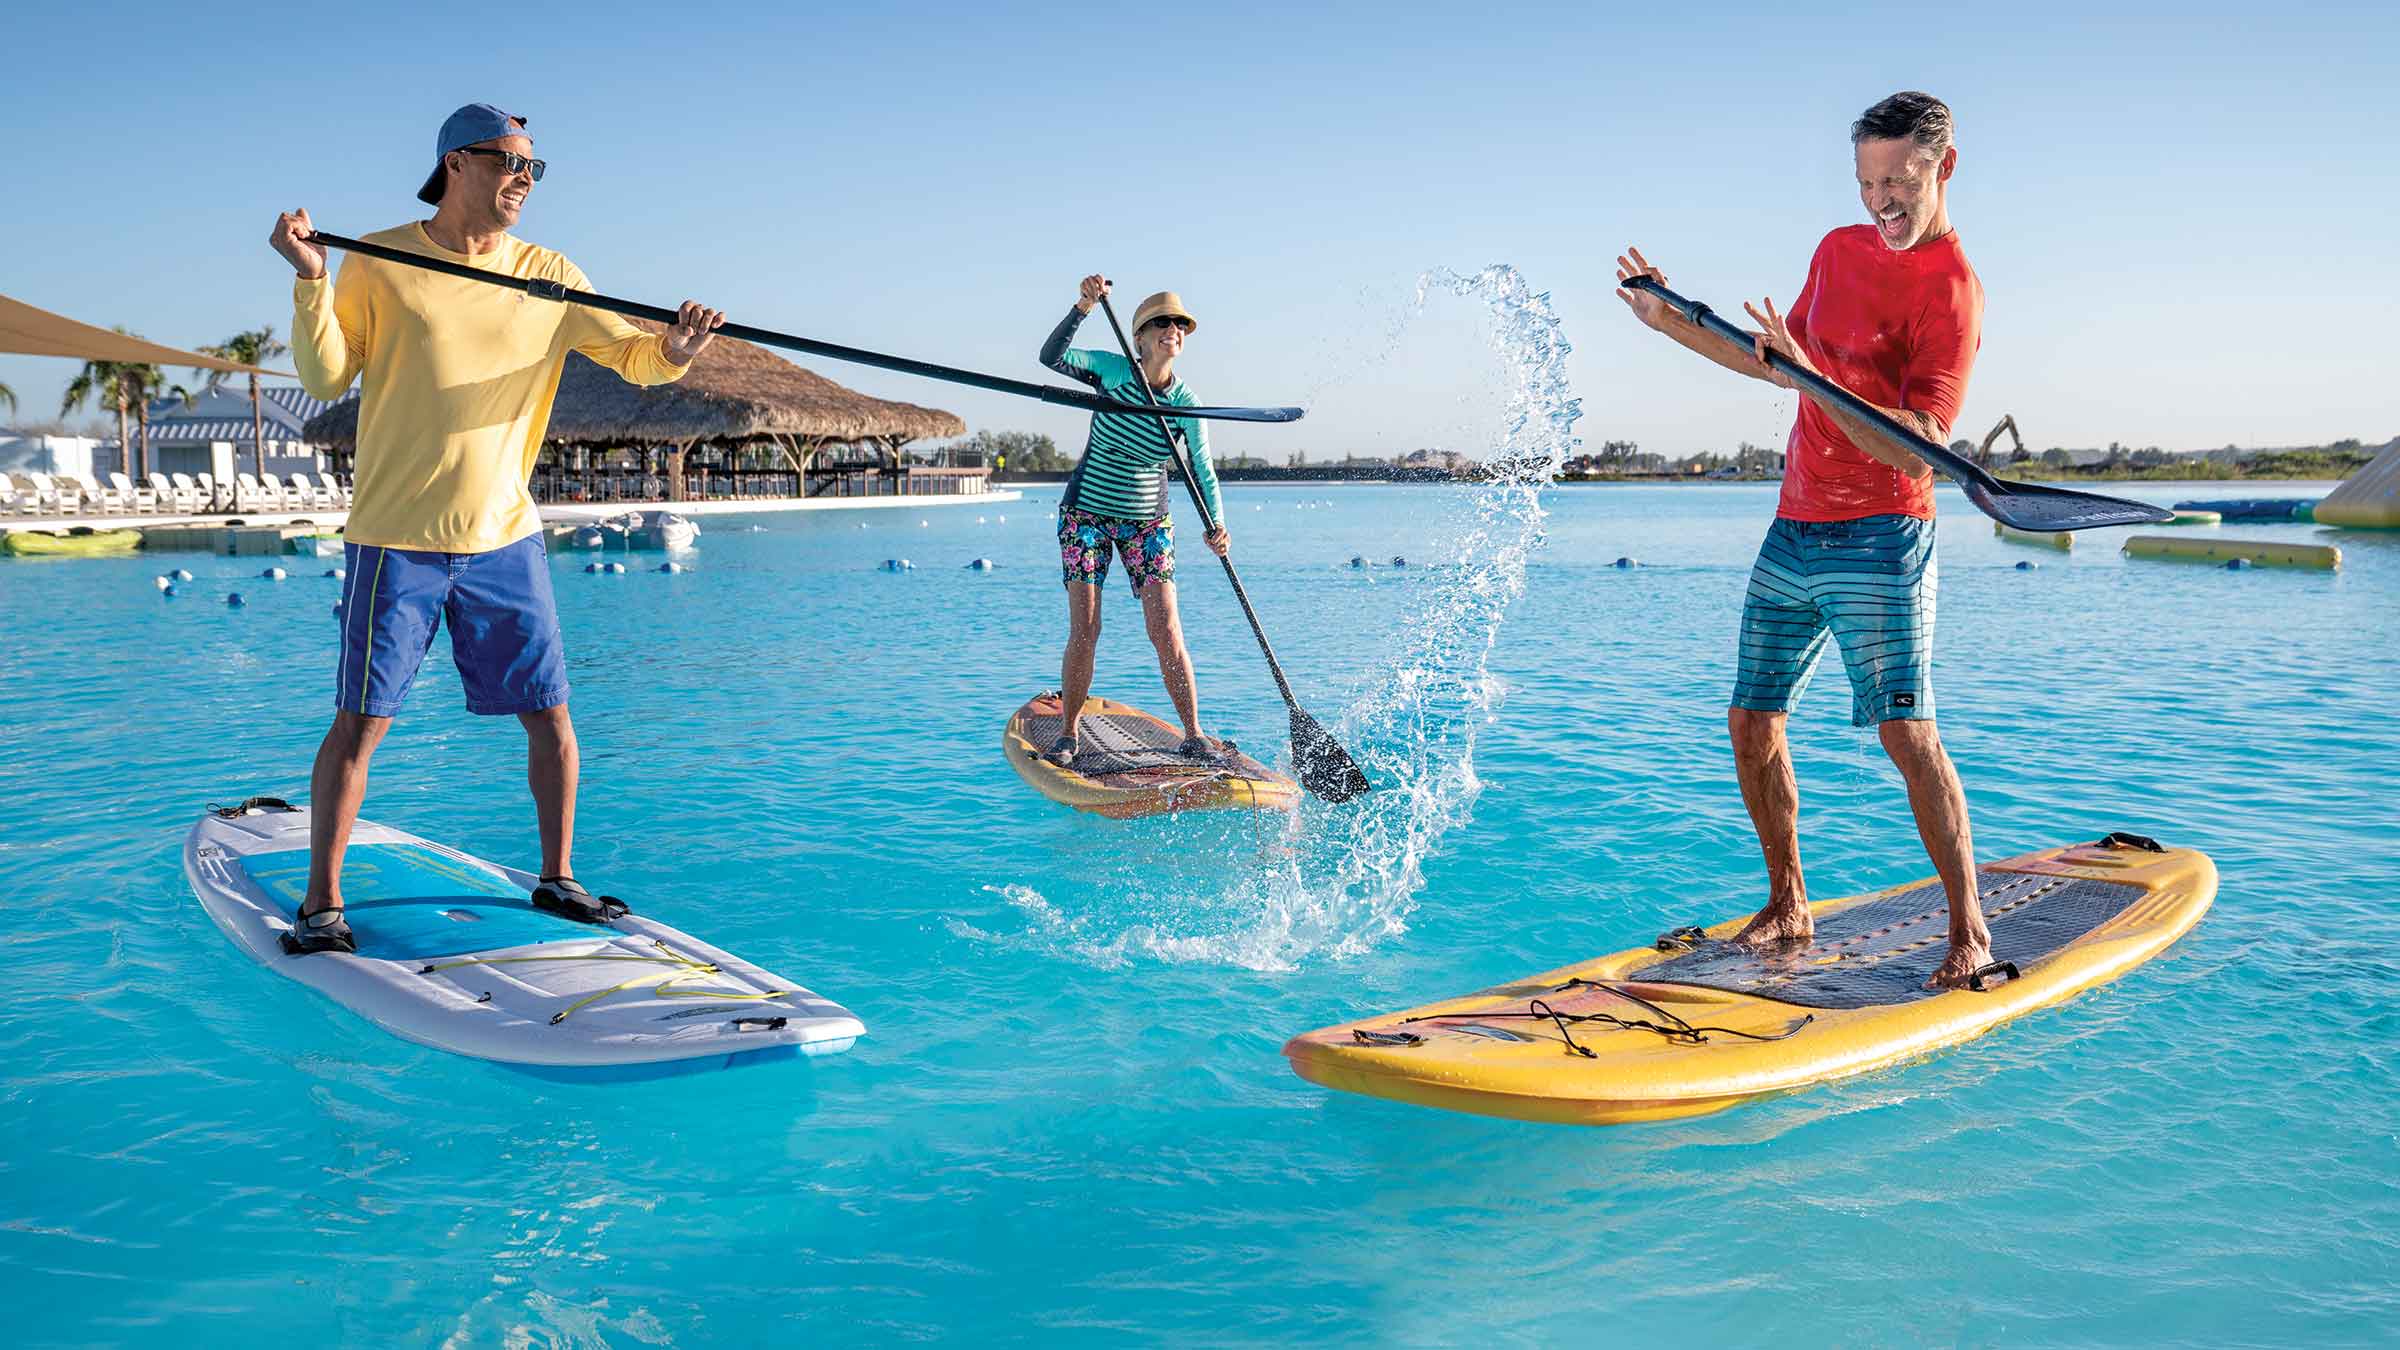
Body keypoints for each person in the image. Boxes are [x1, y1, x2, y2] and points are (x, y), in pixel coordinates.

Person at [267, 103, 724, 954]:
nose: (524, 178)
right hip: (395, 537)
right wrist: (310, 279)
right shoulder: (379, 259)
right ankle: (321, 903)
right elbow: (326, 374)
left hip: (504, 537)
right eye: (509, 162)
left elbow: (637, 359)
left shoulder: (547, 274)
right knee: (362, 723)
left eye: (534, 168)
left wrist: (680, 346)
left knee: (551, 715)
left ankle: (558, 879)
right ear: (455, 164)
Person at [1616, 91, 1995, 988]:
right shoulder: (1838, 248)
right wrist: (1668, 321)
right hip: (1795, 523)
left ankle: (1971, 929)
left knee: (1907, 733)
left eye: (1897, 181)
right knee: (1752, 719)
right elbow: (1771, 360)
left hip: (1883, 533)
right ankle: (1789, 904)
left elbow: (1919, 441)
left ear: (1945, 167)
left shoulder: (1952, 288)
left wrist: (1814, 378)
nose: (1881, 202)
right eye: (1867, 182)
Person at [1037, 276, 1233, 766]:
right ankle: (1069, 732)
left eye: (1180, 324)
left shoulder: (1188, 404)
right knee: (1086, 627)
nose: (1173, 329)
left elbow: (1202, 470)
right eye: (1162, 323)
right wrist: (1083, 307)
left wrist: (1217, 524)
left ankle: (1192, 734)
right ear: (1141, 337)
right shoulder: (1112, 370)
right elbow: (1052, 358)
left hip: (1148, 523)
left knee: (1166, 628)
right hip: (1087, 516)